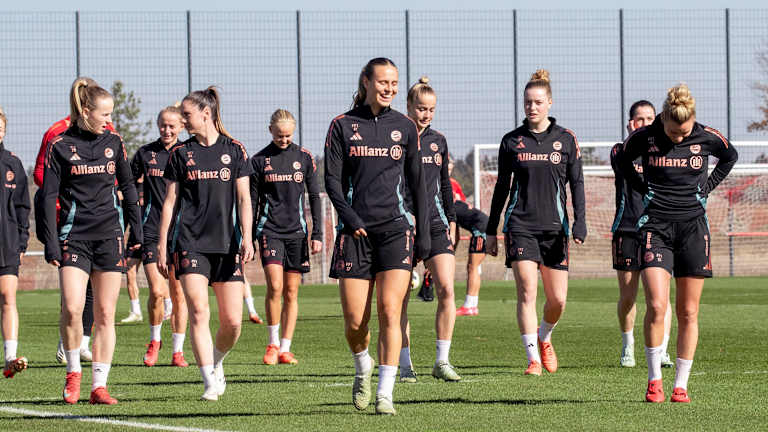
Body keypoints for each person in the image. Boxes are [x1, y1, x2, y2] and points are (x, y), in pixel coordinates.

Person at [619, 84, 737, 403]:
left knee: (688, 311)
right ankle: (654, 378)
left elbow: (730, 156)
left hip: (694, 229)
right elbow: (620, 156)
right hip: (655, 227)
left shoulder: (706, 136)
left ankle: (681, 385)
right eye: (674, 132)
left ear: (693, 122)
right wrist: (641, 186)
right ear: (664, 120)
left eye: (684, 133)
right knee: (657, 305)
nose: (679, 138)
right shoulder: (647, 136)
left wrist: (707, 187)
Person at [325, 57, 429, 415]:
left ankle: (386, 392)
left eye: (394, 83)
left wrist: (425, 240)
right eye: (383, 82)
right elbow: (332, 183)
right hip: (354, 234)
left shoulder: (406, 126)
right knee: (356, 323)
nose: (389, 88)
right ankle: (362, 365)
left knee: (390, 310)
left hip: (396, 232)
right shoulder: (341, 125)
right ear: (366, 82)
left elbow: (419, 185)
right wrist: (350, 218)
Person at [41, 79, 142, 404]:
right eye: (104, 114)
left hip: (109, 237)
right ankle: (73, 373)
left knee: (105, 313)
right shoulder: (59, 146)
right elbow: (48, 195)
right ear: (86, 112)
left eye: (111, 114)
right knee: (72, 308)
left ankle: (99, 385)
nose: (108, 120)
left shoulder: (115, 142)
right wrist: (50, 240)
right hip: (74, 237)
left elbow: (128, 187)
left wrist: (137, 230)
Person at [486, 69, 586, 376]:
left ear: (550, 103)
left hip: (556, 229)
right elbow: (502, 187)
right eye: (528, 102)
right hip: (520, 226)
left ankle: (544, 336)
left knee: (557, 300)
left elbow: (577, 183)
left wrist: (580, 221)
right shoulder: (511, 142)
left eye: (538, 102)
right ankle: (533, 358)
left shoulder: (566, 140)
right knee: (527, 291)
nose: (532, 107)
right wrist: (491, 230)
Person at [157, 86, 254, 401]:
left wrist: (248, 236)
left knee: (232, 323)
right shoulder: (181, 154)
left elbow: (244, 198)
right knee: (198, 310)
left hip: (227, 245)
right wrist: (162, 245)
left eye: (186, 114)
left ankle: (217, 361)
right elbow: (169, 202)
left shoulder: (235, 150)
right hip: (190, 243)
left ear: (206, 113)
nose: (183, 120)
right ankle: (209, 381)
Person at [33, 78, 108, 364]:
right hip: (65, 218)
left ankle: (81, 342)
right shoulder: (57, 133)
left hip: (99, 220)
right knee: (74, 286)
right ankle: (69, 339)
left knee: (91, 286)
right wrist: (72, 186)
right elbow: (41, 174)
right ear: (83, 105)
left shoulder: (108, 131)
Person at [399, 77, 461, 383]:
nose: (426, 114)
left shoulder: (439, 141)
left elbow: (445, 184)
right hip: (403, 223)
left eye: (431, 109)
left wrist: (451, 219)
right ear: (409, 106)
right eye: (421, 108)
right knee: (399, 299)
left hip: (436, 224)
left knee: (447, 288)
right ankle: (405, 364)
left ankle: (442, 360)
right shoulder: (395, 137)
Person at [250, 109, 322, 366]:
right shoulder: (259, 160)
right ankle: (272, 343)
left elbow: (314, 197)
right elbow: (252, 200)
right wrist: (249, 237)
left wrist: (318, 234)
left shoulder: (304, 158)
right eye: (279, 135)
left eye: (288, 135)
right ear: (270, 130)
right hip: (270, 231)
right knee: (275, 287)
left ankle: (285, 348)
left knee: (291, 292)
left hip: (297, 234)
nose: (284, 139)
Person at [610, 100, 673, 368]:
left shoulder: (664, 152)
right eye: (639, 119)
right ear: (630, 123)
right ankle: (628, 346)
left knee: (660, 297)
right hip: (627, 229)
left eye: (650, 119)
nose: (645, 124)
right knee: (628, 296)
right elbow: (621, 159)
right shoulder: (620, 150)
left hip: (658, 230)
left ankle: (663, 349)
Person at [130, 104, 190, 367]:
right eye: (163, 125)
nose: (167, 130)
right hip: (151, 230)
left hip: (181, 231)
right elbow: (128, 185)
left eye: (172, 126)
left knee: (178, 293)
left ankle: (178, 350)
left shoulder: (189, 153)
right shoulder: (145, 154)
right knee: (157, 290)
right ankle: (155, 340)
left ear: (181, 127)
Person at [0, 107, 31, 379]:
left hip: (7, 244)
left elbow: (22, 207)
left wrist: (21, 242)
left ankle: (10, 357)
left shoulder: (13, 163)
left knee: (8, 297)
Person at [449, 157, 488, 317]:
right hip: (480, 226)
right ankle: (471, 304)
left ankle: (470, 306)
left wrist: (450, 250)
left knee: (472, 267)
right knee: (473, 267)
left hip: (481, 227)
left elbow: (454, 230)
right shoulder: (450, 193)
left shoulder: (448, 202)